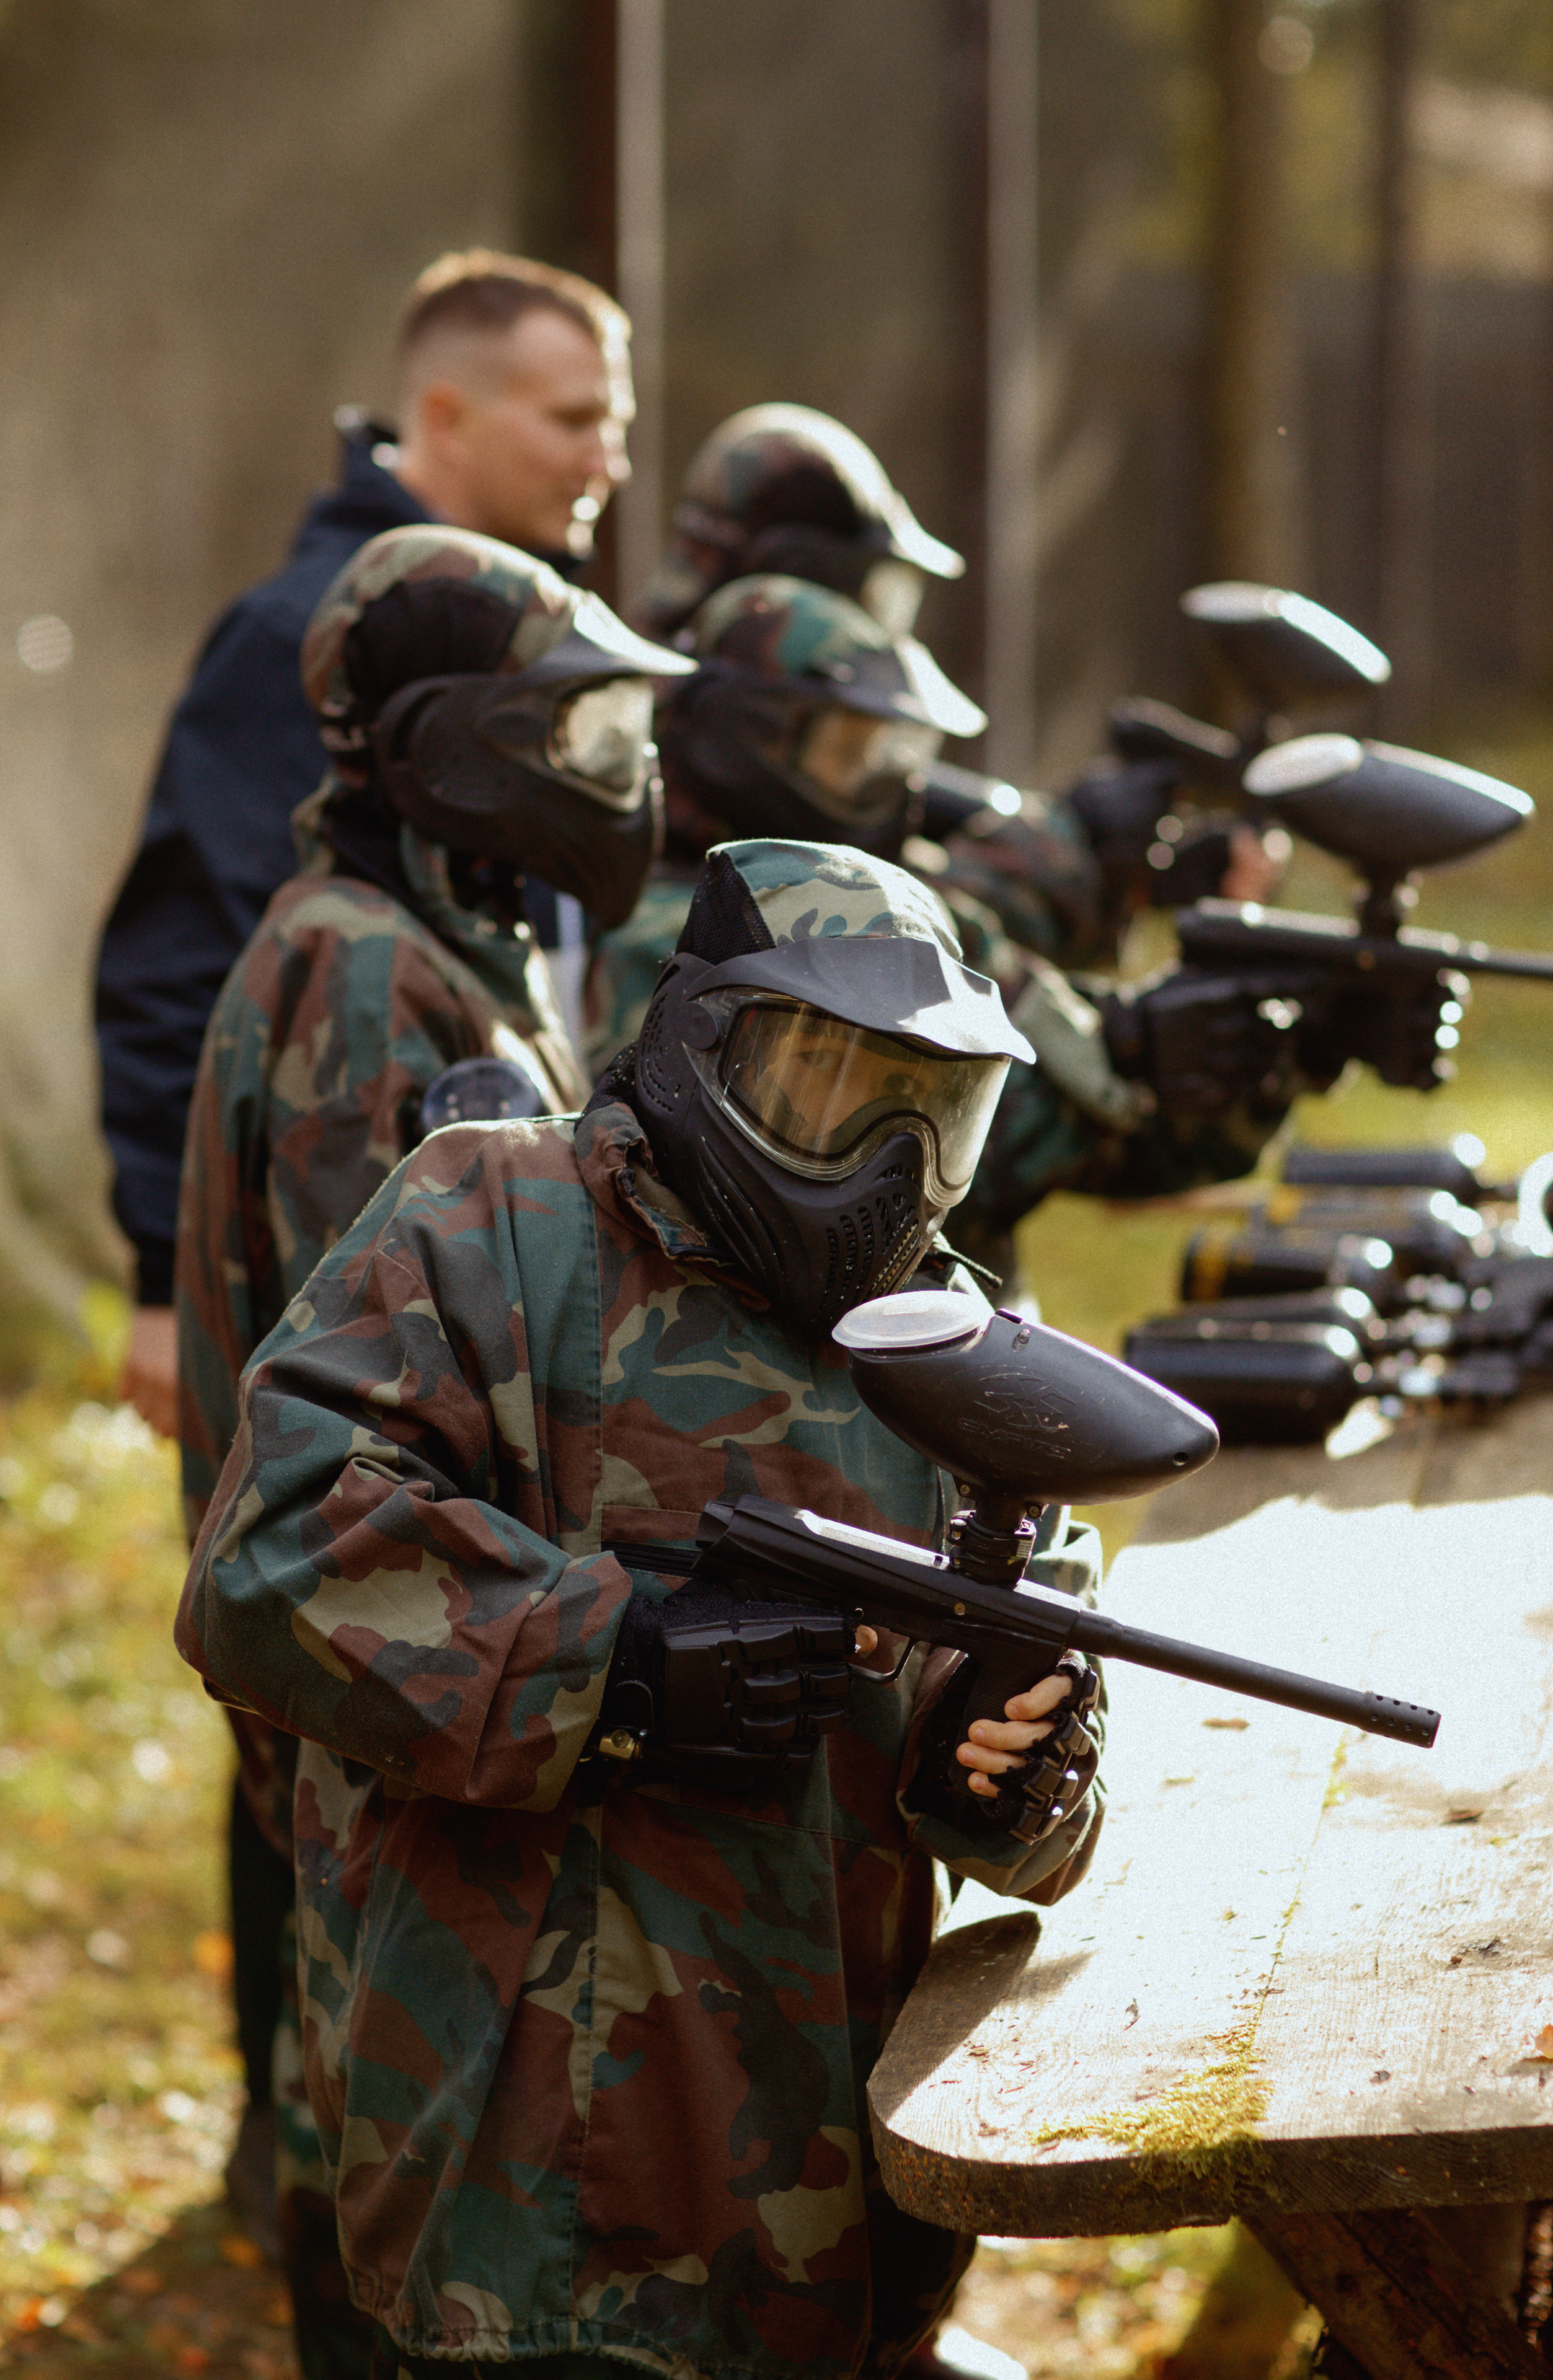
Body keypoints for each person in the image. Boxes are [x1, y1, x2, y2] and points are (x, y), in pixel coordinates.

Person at [177, 836, 1105, 2380]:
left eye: (928, 1110)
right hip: (534, 2183)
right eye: (828, 1082)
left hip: (836, 2169)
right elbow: (267, 1555)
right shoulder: (491, 1220)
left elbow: (1044, 1691)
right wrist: (612, 1662)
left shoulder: (957, 1348)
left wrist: (1008, 1753)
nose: (879, 1156)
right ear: (702, 1050)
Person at [175, 522, 689, 2330]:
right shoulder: (370, 978)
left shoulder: (420, 944)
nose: (618, 783)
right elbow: (378, 1421)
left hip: (432, 1696)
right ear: (460, 746)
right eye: (580, 734)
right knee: (428, 2212)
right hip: (403, 1710)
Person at [97, 247, 632, 1440]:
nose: (613, 461)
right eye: (576, 418)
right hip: (323, 1268)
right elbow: (183, 951)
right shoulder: (297, 635)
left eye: (618, 422)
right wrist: (155, 1275)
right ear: (448, 413)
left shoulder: (542, 645)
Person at [589, 575, 1334, 1286]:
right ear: (742, 736)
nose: (891, 789)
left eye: (891, 755)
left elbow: (1127, 1146)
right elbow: (940, 1146)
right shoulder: (675, 935)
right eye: (849, 754)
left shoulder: (901, 914)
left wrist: (1280, 1047)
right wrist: (1134, 1046)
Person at [632, 402, 1280, 972]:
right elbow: (850, 924)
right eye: (877, 592)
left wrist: (1118, 868)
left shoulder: (696, 708)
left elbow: (905, 837)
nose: (884, 628)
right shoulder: (673, 742)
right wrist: (1057, 848)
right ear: (790, 573)